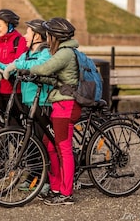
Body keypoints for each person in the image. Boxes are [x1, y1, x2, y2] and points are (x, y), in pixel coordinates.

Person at [0, 19, 53, 196]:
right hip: (29, 102)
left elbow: (37, 67)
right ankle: (35, 177)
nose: (24, 35)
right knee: (33, 143)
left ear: (37, 36)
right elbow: (16, 62)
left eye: (28, 32)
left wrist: (15, 65)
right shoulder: (27, 53)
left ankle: (47, 180)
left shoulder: (46, 53)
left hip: (43, 103)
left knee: (45, 143)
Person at [26, 17, 82, 205]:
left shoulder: (65, 53)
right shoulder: (63, 52)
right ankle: (56, 187)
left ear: (54, 36)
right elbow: (57, 80)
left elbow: (45, 68)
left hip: (66, 106)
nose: (46, 38)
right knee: (50, 145)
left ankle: (66, 194)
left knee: (63, 149)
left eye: (48, 34)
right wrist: (38, 79)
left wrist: (29, 70)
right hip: (60, 103)